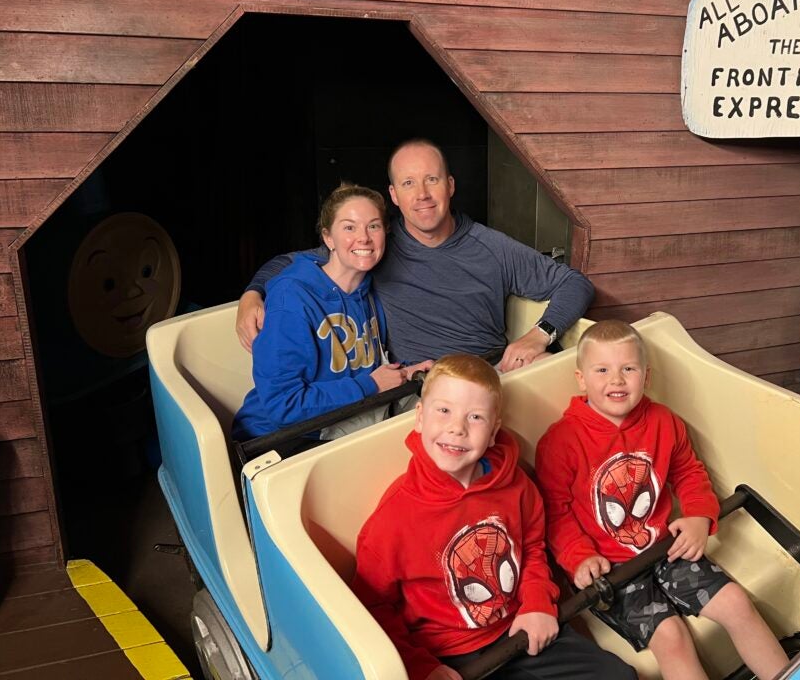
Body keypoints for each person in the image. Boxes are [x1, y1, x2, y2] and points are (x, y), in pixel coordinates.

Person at [351, 354, 637, 680]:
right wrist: (420, 666)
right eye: (443, 411)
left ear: (493, 431)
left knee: (618, 676)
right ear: (419, 418)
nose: (456, 428)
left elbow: (531, 550)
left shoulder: (515, 485)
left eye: (475, 417)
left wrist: (537, 603)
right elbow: (373, 608)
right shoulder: (393, 518)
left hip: (520, 627)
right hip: (448, 655)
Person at [535, 321, 788, 680]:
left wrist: (701, 515)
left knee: (736, 603)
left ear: (646, 375)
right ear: (581, 379)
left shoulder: (663, 422)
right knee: (670, 637)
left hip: (666, 549)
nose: (617, 380)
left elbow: (689, 473)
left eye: (628, 369)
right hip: (614, 569)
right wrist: (579, 558)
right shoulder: (561, 441)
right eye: (602, 370)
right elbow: (554, 514)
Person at [236, 139, 594, 373]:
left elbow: (575, 283)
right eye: (408, 183)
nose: (422, 194)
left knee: (556, 371)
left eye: (432, 180)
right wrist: (253, 294)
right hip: (419, 387)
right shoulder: (376, 243)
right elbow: (287, 263)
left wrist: (538, 335)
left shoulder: (492, 247)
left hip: (489, 375)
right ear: (393, 194)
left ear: (450, 185)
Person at [232, 184, 428, 441]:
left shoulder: (369, 291)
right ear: (328, 238)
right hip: (280, 439)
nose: (364, 238)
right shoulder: (291, 299)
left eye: (373, 226)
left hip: (343, 419)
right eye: (349, 227)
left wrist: (404, 374)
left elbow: (357, 369)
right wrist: (371, 385)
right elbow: (284, 405)